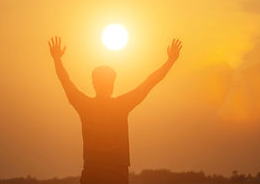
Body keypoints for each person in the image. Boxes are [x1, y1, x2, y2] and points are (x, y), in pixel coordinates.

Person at [48, 36, 182, 184]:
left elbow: (66, 82)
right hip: (117, 176)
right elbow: (149, 83)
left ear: (93, 83)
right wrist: (170, 61)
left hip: (91, 175)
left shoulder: (85, 105)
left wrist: (57, 59)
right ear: (112, 84)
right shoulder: (121, 106)